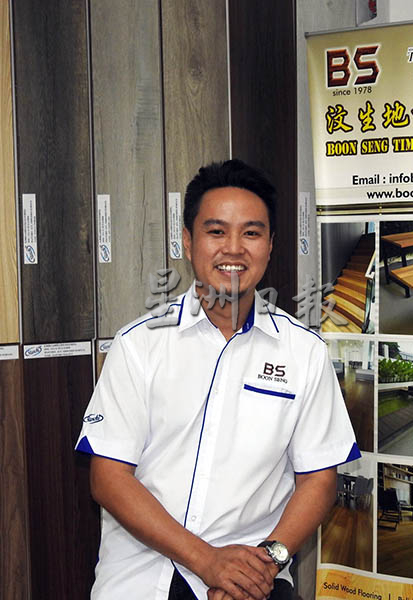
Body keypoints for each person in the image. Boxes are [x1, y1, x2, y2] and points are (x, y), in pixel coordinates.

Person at [76, 159, 359, 600]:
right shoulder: (139, 345)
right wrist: (207, 561)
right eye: (216, 231)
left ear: (270, 245)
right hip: (144, 577)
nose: (233, 249)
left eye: (251, 233)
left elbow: (319, 480)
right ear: (188, 243)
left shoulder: (304, 353)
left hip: (255, 577)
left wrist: (263, 565)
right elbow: (109, 477)